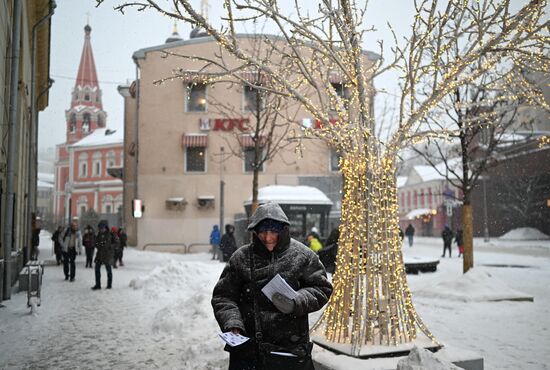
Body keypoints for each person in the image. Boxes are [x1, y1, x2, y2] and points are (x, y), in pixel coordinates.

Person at [212, 202, 333, 370]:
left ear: (283, 230)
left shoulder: (303, 256)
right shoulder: (241, 258)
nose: (268, 238)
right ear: (255, 231)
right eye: (262, 232)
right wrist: (232, 321)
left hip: (290, 350)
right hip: (248, 351)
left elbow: (322, 288)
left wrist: (296, 301)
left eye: (273, 231)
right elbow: (223, 296)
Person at [92, 220, 113, 290]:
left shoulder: (109, 235)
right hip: (99, 255)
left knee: (109, 270)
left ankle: (109, 285)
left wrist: (108, 246)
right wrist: (98, 244)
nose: (101, 229)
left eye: (102, 228)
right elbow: (96, 243)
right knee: (97, 269)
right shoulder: (99, 235)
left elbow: (109, 244)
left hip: (107, 255)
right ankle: (98, 285)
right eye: (100, 228)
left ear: (105, 228)